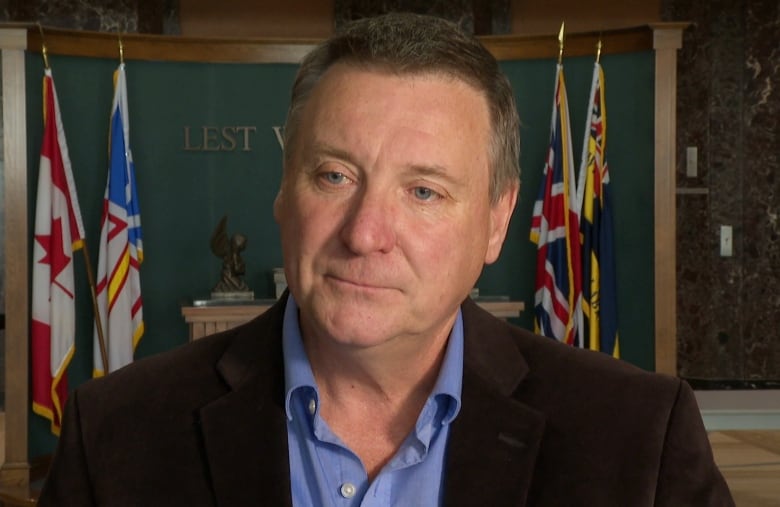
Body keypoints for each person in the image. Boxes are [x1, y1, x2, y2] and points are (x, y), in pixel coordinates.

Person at [38, 12, 734, 506]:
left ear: (496, 221)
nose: (366, 232)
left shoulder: (639, 436)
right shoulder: (117, 430)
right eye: (334, 175)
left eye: (424, 190)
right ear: (285, 190)